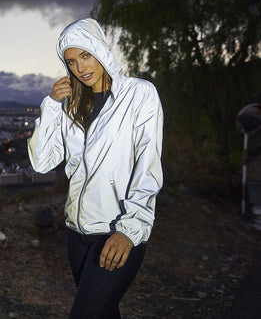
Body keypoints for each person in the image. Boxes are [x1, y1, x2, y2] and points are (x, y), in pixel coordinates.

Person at [27, 18, 163, 318]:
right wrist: (51, 106)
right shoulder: (70, 105)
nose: (80, 67)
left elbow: (148, 168)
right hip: (76, 235)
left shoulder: (139, 95)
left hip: (116, 233)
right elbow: (42, 162)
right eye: (71, 61)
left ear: (100, 49)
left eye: (85, 55)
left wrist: (129, 230)